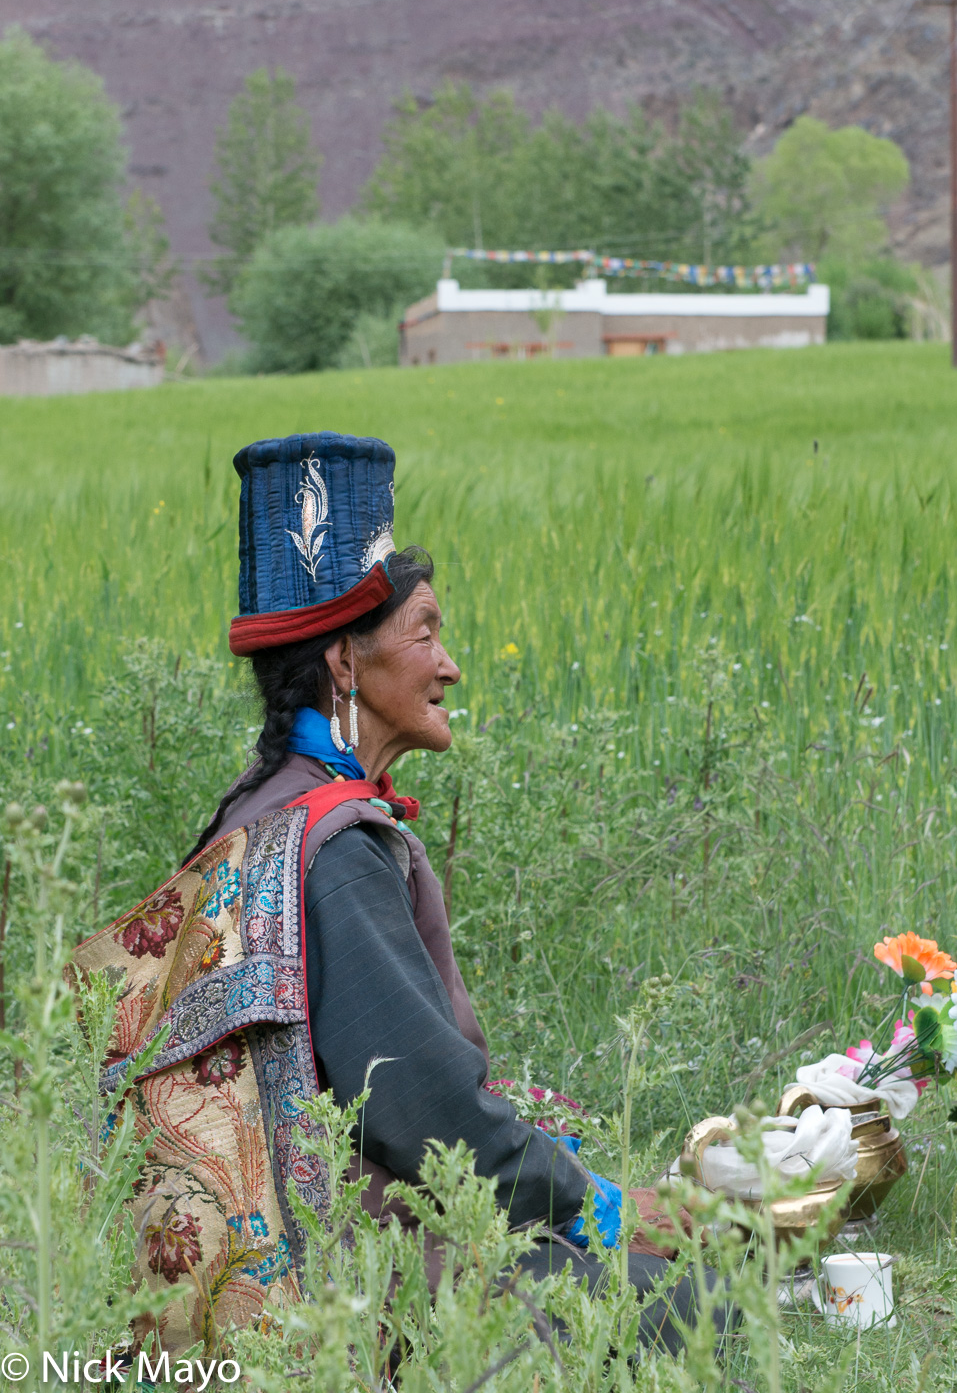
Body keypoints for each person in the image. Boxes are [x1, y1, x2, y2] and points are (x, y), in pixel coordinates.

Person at [75, 433, 714, 1354]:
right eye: (426, 632)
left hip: (309, 1242)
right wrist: (601, 1210)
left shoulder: (259, 810)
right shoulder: (332, 848)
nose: (450, 664)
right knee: (700, 1310)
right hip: (360, 1273)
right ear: (344, 662)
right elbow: (428, 1116)